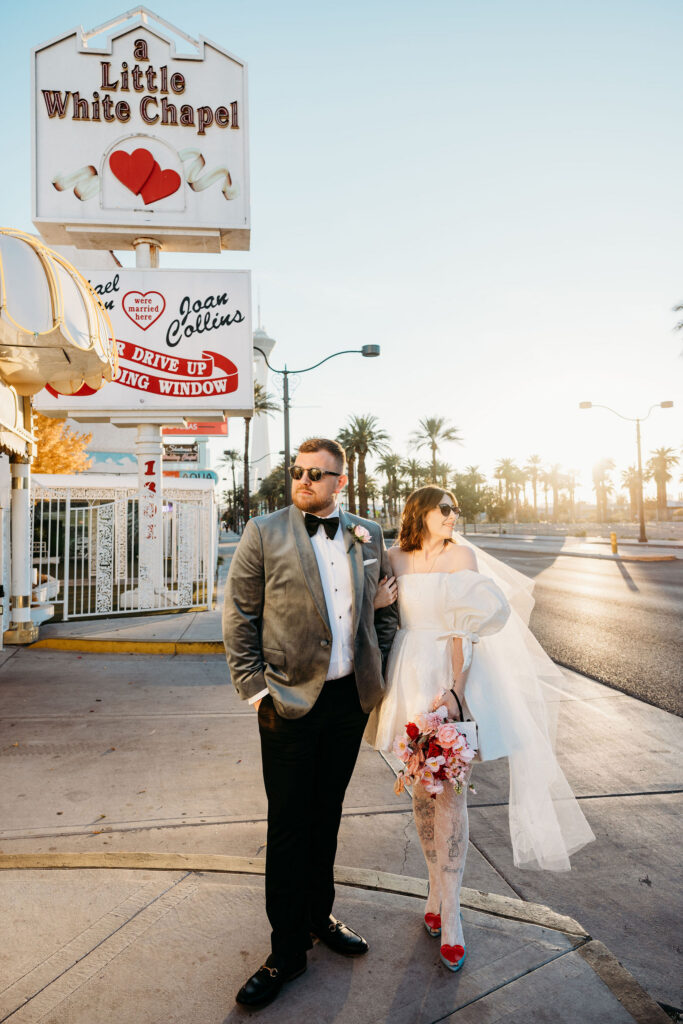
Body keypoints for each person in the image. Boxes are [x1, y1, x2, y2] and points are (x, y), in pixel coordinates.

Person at [367, 485, 595, 973]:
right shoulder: (392, 557)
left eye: (455, 510)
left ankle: (452, 916)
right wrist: (376, 603)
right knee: (421, 789)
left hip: (446, 677)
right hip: (405, 674)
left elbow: (464, 630)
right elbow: (374, 621)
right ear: (421, 512)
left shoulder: (461, 555)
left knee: (450, 792)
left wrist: (454, 692)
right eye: (444, 509)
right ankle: (433, 892)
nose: (453, 516)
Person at [223, 437, 398, 1008]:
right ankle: (285, 952)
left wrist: (381, 669)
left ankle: (319, 915)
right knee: (290, 825)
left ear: (340, 482)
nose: (305, 481)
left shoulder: (367, 532)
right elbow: (240, 615)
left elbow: (386, 609)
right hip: (288, 705)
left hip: (349, 702)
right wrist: (256, 693)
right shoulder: (264, 531)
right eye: (299, 472)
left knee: (328, 815)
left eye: (318, 474)